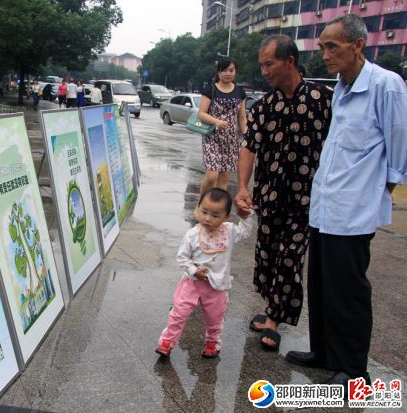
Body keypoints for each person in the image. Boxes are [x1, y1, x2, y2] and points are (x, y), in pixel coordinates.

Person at [285, 14, 407, 388]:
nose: (325, 54)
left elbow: (399, 153)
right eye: (322, 47)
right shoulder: (341, 86)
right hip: (325, 206)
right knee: (322, 284)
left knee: (348, 291)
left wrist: (374, 197)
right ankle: (324, 352)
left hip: (353, 211)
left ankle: (354, 369)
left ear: (358, 45)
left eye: (332, 47)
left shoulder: (387, 86)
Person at [235, 35, 333, 351]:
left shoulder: (323, 99)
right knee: (267, 255)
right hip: (269, 195)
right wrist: (242, 188)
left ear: (289, 61)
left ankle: (274, 321)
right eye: (262, 64)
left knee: (290, 257)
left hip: (307, 198)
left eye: (269, 63)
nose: (264, 71)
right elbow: (249, 148)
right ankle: (270, 306)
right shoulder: (264, 106)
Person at [156, 188, 255, 358]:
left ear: (226, 217)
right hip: (192, 283)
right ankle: (167, 342)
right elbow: (182, 258)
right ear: (197, 209)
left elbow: (246, 231)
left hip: (217, 286)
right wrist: (194, 271)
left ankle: (212, 343)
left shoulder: (229, 231)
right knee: (178, 313)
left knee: (215, 318)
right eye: (204, 212)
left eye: (216, 215)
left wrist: (246, 215)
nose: (208, 218)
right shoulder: (192, 234)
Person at [197, 58, 247, 195]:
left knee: (224, 177)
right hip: (212, 137)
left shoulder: (240, 92)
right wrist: (216, 121)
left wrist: (247, 136)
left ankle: (218, 210)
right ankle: (201, 205)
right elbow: (201, 113)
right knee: (212, 175)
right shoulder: (210, 89)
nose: (228, 73)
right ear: (218, 72)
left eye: (231, 70)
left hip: (231, 140)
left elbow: (242, 118)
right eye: (224, 70)